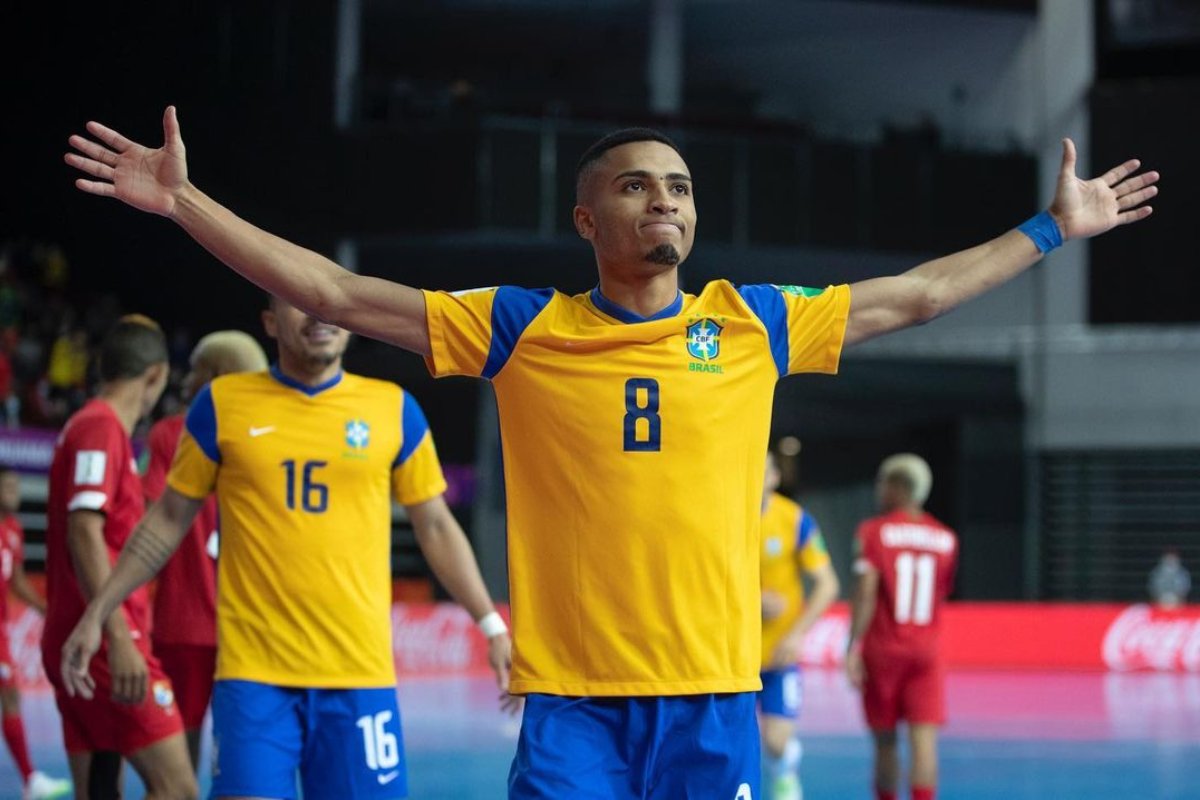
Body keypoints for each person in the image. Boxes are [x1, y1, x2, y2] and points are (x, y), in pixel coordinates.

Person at [63, 107, 1157, 798]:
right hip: (574, 704)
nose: (665, 200)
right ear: (586, 218)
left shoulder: (752, 321)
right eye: (637, 184)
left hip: (715, 696)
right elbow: (335, 290)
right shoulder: (523, 329)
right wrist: (185, 203)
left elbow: (918, 295)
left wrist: (1053, 229)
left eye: (679, 185)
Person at [61, 295, 512, 799]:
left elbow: (436, 527)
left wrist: (491, 624)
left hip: (359, 678)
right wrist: (98, 610)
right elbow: (166, 519)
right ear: (271, 322)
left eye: (330, 305)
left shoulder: (393, 409)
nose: (320, 317)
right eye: (301, 303)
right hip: (254, 678)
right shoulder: (222, 405)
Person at [41, 316, 197, 800]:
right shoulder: (101, 428)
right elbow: (84, 530)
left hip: (82, 635)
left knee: (98, 791)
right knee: (179, 788)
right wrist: (115, 635)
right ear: (155, 376)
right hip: (108, 642)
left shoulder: (88, 426)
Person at [141, 330, 268, 770]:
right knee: (244, 752)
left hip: (184, 627)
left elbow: (153, 512)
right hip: (254, 628)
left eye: (195, 366)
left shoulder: (169, 435)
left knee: (183, 752)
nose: (184, 377)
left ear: (216, 375)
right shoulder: (271, 438)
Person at [845, 454, 958, 800]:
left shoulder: (873, 532)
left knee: (885, 741)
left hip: (884, 650)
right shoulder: (946, 538)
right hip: (927, 651)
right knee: (924, 742)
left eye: (883, 482)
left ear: (897, 487)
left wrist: (852, 646)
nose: (879, 489)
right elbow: (942, 592)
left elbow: (866, 592)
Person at [757, 453, 838, 800]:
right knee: (732, 743)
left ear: (775, 477)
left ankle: (784, 770)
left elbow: (828, 585)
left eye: (763, 471)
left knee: (775, 742)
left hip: (778, 654)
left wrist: (796, 634)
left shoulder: (794, 520)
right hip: (729, 656)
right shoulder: (721, 518)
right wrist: (751, 599)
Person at [0, 466, 72, 799]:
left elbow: (15, 581)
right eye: (8, 487)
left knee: (11, 696)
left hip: (2, 629)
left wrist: (43, 607)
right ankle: (30, 780)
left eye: (16, 486)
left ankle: (30, 780)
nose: (14, 492)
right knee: (10, 696)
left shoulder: (13, 529)